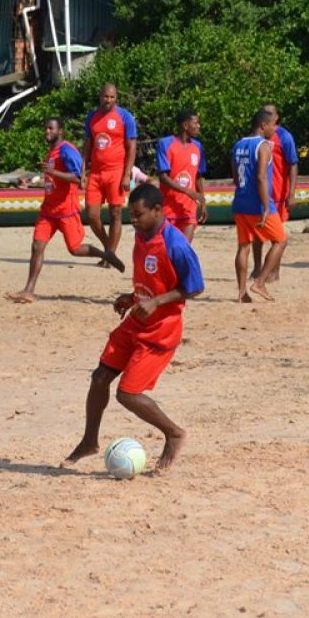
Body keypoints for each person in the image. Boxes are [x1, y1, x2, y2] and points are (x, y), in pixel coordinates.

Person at [61, 183, 205, 472]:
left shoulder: (175, 244)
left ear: (157, 211)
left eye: (138, 215)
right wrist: (133, 298)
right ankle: (89, 441)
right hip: (136, 322)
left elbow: (195, 287)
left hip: (160, 331)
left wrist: (158, 302)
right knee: (100, 377)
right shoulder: (141, 236)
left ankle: (174, 433)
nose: (133, 220)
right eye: (131, 215)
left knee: (127, 394)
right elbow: (151, 279)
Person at [8, 118, 125, 302]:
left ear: (60, 130)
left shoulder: (67, 150)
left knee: (75, 249)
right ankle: (29, 291)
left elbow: (77, 178)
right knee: (37, 246)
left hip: (66, 210)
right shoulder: (52, 152)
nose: (46, 131)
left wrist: (53, 173)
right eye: (45, 128)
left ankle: (106, 254)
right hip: (48, 210)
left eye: (50, 128)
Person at [231, 109, 286, 303]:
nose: (275, 128)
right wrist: (264, 206)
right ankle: (260, 282)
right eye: (273, 124)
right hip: (258, 203)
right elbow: (262, 177)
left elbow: (236, 178)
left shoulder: (238, 145)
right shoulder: (263, 146)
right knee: (280, 240)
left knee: (243, 247)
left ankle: (241, 293)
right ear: (263, 125)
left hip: (240, 202)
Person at [81, 83, 139, 266]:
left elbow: (131, 148)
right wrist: (82, 170)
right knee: (91, 214)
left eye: (112, 97)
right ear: (100, 97)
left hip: (116, 171)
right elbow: (88, 146)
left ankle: (110, 254)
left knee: (116, 213)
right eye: (106, 96)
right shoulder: (92, 117)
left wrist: (127, 174)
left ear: (116, 98)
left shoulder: (125, 117)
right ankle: (108, 248)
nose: (109, 100)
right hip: (96, 173)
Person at [249, 105, 297, 278]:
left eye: (271, 112)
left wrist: (291, 194)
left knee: (278, 236)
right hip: (259, 194)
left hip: (277, 194)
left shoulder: (284, 136)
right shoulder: (256, 137)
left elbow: (293, 164)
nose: (268, 114)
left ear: (277, 116)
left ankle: (273, 270)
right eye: (265, 112)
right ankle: (256, 267)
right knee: (257, 234)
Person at [155, 109, 208, 242]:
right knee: (168, 251)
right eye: (195, 123)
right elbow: (163, 177)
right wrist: (187, 191)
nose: (198, 126)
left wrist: (203, 202)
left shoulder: (198, 146)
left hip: (188, 208)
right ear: (185, 125)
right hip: (169, 207)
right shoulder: (165, 144)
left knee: (183, 249)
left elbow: (199, 176)